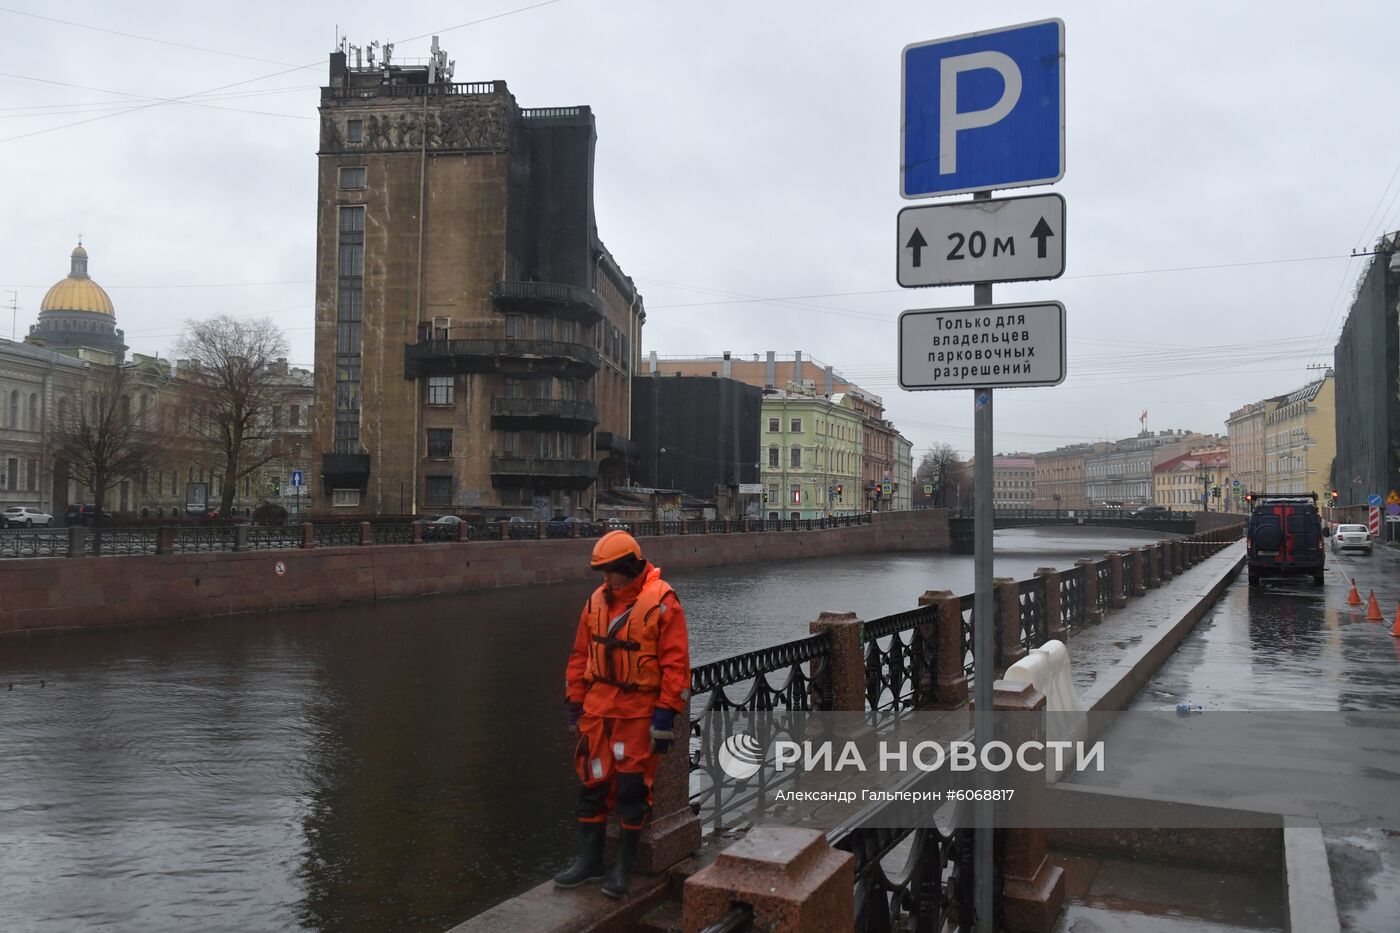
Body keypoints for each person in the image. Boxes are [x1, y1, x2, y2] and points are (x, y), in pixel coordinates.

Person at [553, 529, 690, 898]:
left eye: (612, 571)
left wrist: (666, 713)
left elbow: (676, 665)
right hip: (597, 710)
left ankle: (622, 867)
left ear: (629, 567)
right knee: (592, 784)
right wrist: (575, 703)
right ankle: (590, 861)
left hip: (636, 713)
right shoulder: (596, 601)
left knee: (632, 789)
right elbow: (580, 656)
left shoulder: (663, 602)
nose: (606, 578)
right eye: (603, 572)